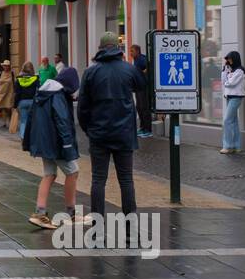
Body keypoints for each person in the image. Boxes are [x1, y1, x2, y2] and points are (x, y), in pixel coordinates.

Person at [76, 32, 143, 218]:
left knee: (98, 180)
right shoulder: (128, 69)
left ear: (100, 48)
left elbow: (82, 108)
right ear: (117, 48)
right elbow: (141, 86)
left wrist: (88, 129)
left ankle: (97, 229)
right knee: (126, 180)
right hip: (124, 134)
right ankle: (130, 229)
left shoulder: (91, 72)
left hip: (99, 134)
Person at [24, 67, 82, 229]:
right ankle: (71, 212)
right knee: (73, 171)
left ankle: (40, 213)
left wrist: (28, 142)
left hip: (43, 142)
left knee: (49, 174)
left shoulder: (42, 93)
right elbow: (62, 121)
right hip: (56, 143)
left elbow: (31, 119)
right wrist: (68, 144)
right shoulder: (58, 96)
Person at [220, 51, 245, 154]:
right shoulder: (230, 70)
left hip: (236, 97)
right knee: (234, 122)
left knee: (227, 120)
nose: (228, 61)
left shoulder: (240, 70)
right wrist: (224, 71)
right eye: (227, 59)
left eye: (230, 59)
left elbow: (231, 83)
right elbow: (224, 81)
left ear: (235, 58)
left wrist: (227, 79)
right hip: (229, 97)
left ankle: (227, 146)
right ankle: (236, 146)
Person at [14, 61, 40, 140]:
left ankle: (23, 137)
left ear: (23, 68)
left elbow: (17, 93)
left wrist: (15, 105)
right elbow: (39, 91)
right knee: (32, 121)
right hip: (32, 102)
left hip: (22, 102)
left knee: (23, 121)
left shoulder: (18, 80)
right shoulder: (35, 79)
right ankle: (31, 138)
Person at [130, 45, 152, 138]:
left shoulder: (142, 59)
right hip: (138, 88)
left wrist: (143, 73)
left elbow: (150, 67)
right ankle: (142, 127)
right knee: (139, 107)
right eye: (130, 51)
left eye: (132, 51)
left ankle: (148, 130)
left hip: (144, 87)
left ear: (138, 51)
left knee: (144, 108)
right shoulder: (136, 59)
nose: (130, 53)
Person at [0, 60, 15, 129]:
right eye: (5, 65)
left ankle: (9, 121)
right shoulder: (0, 73)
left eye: (7, 66)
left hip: (9, 93)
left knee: (8, 108)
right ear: (3, 66)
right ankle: (4, 122)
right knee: (2, 107)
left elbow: (14, 82)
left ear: (9, 66)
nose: (6, 67)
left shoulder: (12, 73)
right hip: (1, 93)